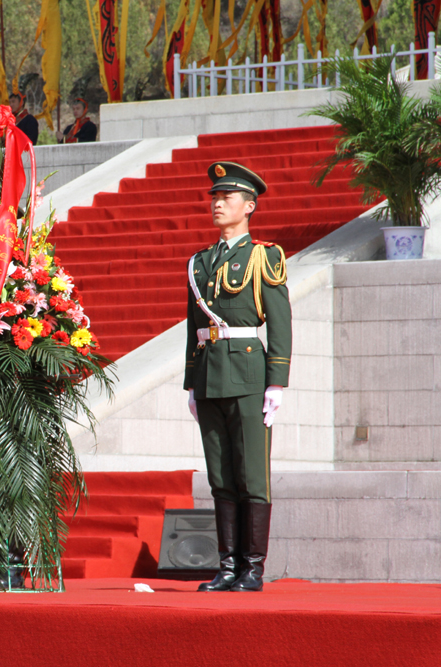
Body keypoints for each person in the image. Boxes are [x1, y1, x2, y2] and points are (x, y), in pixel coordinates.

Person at [184, 162, 292, 593]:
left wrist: (277, 381)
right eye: (214, 197)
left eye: (226, 198)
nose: (217, 203)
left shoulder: (264, 256)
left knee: (251, 475)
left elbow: (280, 320)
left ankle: (252, 569)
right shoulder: (200, 262)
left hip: (248, 373)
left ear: (249, 206)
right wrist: (191, 383)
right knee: (220, 475)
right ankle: (227, 566)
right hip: (210, 374)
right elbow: (193, 326)